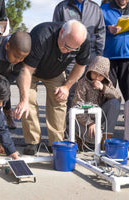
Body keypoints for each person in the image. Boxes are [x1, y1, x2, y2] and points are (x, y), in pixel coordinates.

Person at [13, 20, 91, 155]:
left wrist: (66, 87)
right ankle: (33, 142)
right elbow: (26, 70)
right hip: (33, 70)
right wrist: (23, 100)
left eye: (73, 49)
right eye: (66, 46)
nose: (68, 51)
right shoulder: (42, 35)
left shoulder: (83, 41)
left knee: (59, 101)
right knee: (28, 101)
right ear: (61, 32)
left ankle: (56, 142)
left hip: (55, 72)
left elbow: (80, 66)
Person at [52, 0, 106, 128]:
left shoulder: (95, 8)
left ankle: (87, 128)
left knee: (90, 91)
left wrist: (98, 55)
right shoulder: (62, 7)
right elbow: (56, 31)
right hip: (69, 55)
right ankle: (69, 127)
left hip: (90, 56)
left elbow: (101, 33)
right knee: (70, 91)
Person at [72, 56, 121, 149]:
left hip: (98, 118)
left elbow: (118, 98)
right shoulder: (82, 83)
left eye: (101, 75)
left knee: (114, 103)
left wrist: (103, 88)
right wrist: (89, 123)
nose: (97, 78)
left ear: (105, 75)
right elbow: (76, 106)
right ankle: (81, 139)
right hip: (83, 119)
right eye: (94, 73)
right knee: (92, 138)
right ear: (90, 71)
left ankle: (105, 141)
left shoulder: (106, 82)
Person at [101, 0, 129, 142]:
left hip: (128, 59)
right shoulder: (104, 9)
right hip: (109, 59)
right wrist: (107, 28)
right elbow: (96, 29)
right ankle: (104, 137)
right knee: (108, 97)